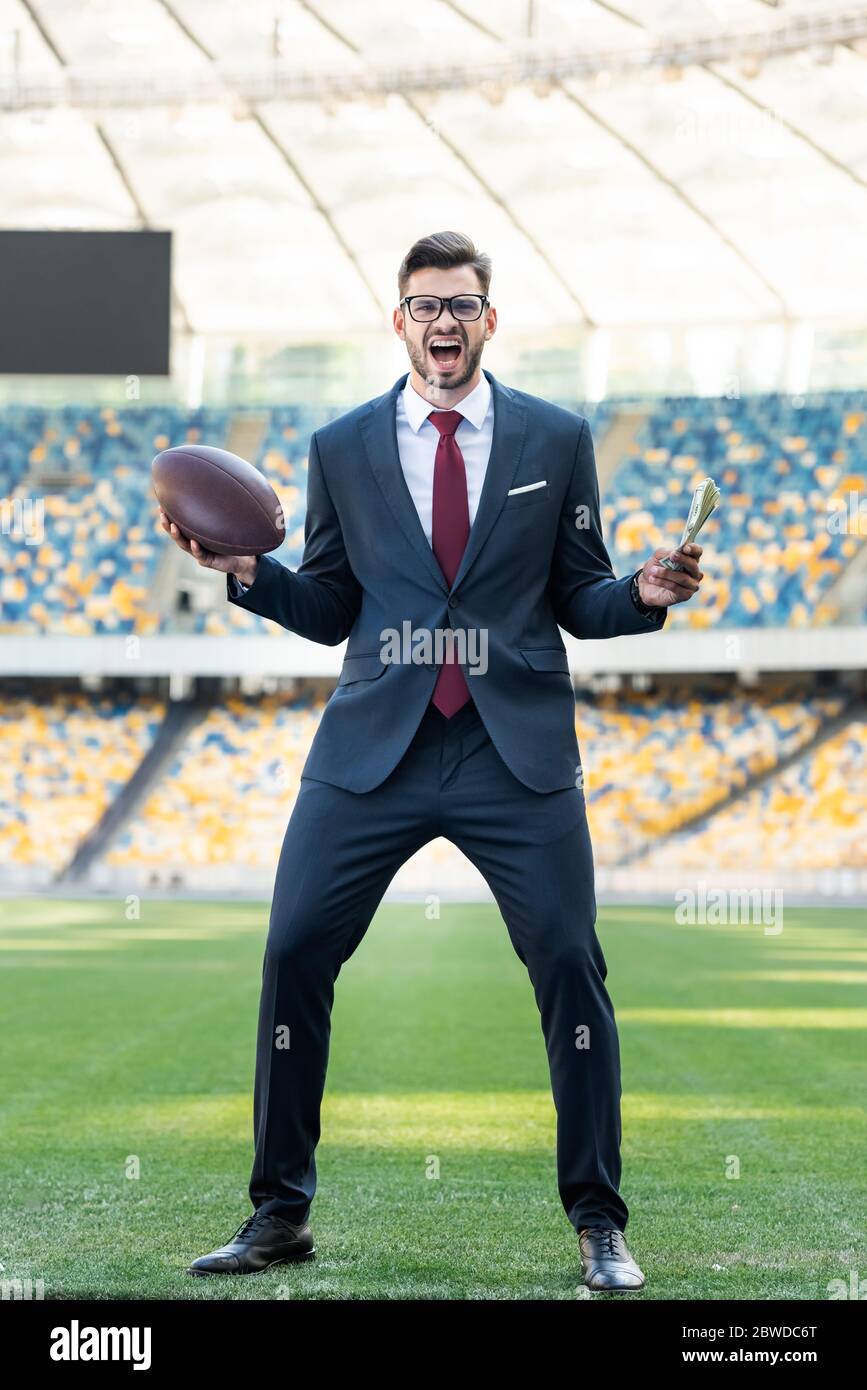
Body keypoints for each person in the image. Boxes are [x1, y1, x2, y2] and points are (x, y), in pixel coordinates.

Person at [161, 230, 705, 1292]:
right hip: (374, 749)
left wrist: (639, 599)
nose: (443, 323)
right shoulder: (343, 444)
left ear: (488, 320)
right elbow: (326, 608)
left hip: (515, 752)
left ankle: (599, 1222)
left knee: (569, 968)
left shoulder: (556, 436)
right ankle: (279, 1213)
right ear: (400, 320)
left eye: (461, 304)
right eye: (424, 305)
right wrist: (247, 571)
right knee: (292, 952)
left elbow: (580, 595)